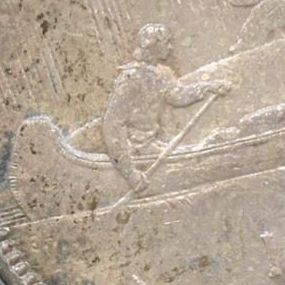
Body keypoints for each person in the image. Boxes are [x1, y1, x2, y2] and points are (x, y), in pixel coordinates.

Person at [99, 24, 231, 190]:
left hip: (152, 146)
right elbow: (112, 126)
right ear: (153, 45)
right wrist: (130, 173)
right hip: (135, 151)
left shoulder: (161, 73)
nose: (170, 47)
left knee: (201, 150)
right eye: (166, 43)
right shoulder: (130, 79)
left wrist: (209, 87)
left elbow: (177, 95)